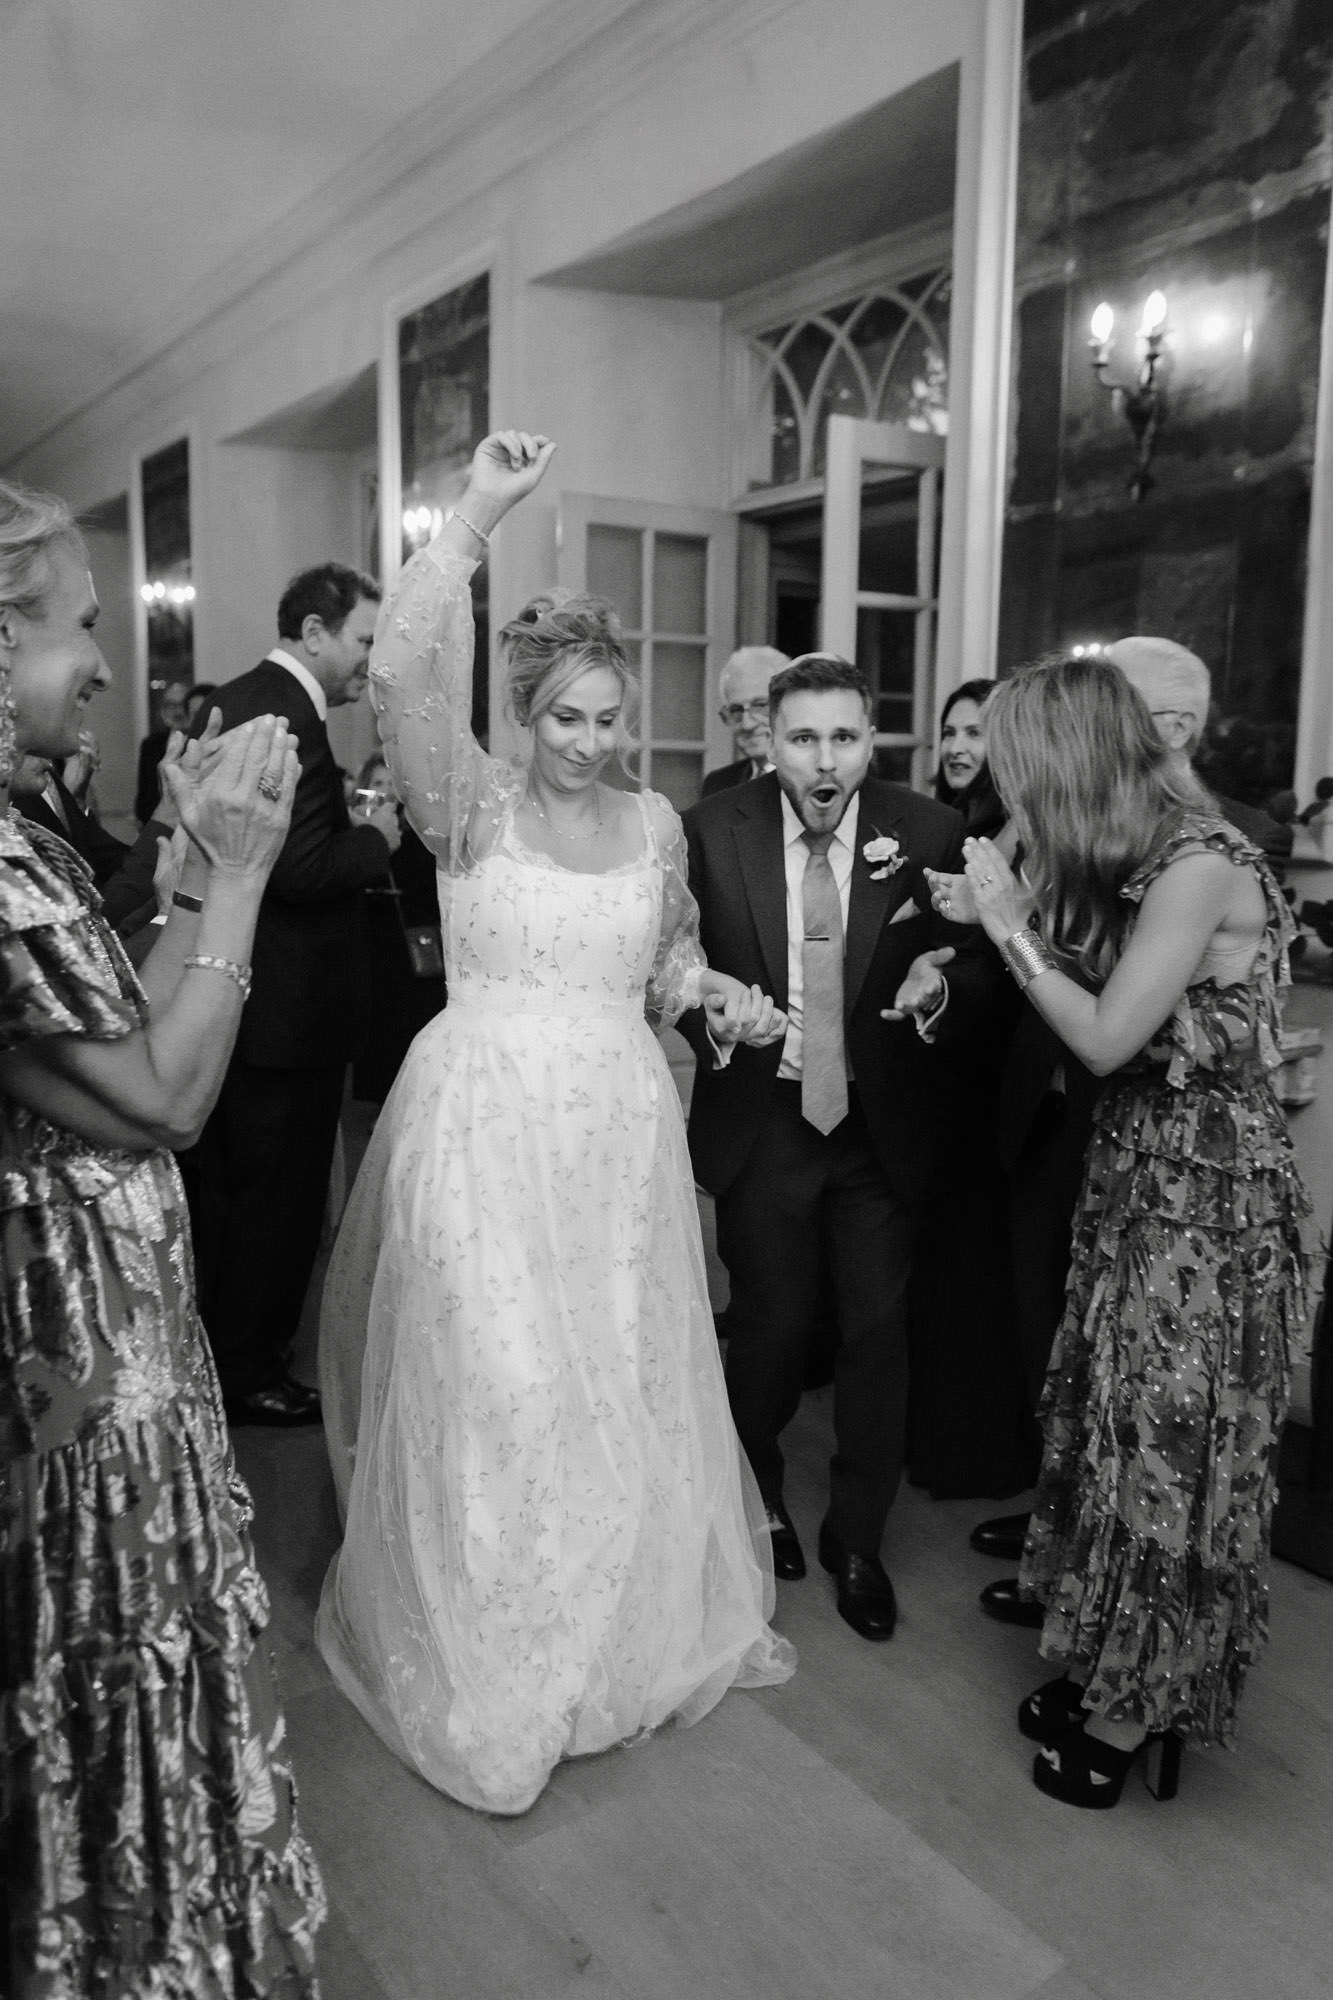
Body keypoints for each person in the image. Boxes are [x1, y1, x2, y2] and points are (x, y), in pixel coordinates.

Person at [316, 430, 795, 1817]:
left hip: (616, 1140)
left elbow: (665, 961)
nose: (588, 742)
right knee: (500, 1376)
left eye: (607, 717)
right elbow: (401, 670)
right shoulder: (466, 806)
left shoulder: (656, 826)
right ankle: (494, 1645)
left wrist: (715, 995)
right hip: (483, 1126)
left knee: (617, 1369)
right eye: (564, 717)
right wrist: (474, 514)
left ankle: (602, 1631)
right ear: (522, 716)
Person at [0, 479, 324, 1991]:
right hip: (73, 1357)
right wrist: (246, 874)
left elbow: (122, 1005)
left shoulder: (23, 833)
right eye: (78, 625)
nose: (105, 661)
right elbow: (166, 1093)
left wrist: (190, 860)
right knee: (107, 1643)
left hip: (113, 1326)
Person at [932, 654, 1310, 1809]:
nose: (1008, 790)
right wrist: (997, 916)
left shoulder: (1198, 861)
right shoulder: (1146, 848)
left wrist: (1011, 928)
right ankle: (1112, 1655)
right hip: (1141, 1165)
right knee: (1114, 1422)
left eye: (1019, 768)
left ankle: (1142, 1702)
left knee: (1172, 1451)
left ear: (1069, 761)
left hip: (1207, 1197)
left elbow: (1102, 1035)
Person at [680, 653, 993, 1640]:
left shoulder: (930, 830)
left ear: (871, 740)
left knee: (875, 1333)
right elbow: (674, 966)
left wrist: (943, 987)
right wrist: (715, 1018)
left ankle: (858, 1534)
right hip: (765, 1117)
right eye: (804, 738)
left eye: (844, 738)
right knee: (768, 1330)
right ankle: (760, 1496)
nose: (825, 760)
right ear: (767, 741)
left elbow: (981, 956)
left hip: (878, 1125)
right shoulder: (707, 830)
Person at [183, 563, 400, 1426]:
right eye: (364, 640)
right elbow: (299, 869)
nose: (371, 660)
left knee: (238, 1199)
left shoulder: (239, 697)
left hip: (246, 998)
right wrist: (374, 837)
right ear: (315, 633)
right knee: (274, 1208)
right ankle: (250, 1374)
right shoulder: (288, 716)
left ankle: (225, 1360)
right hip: (287, 1012)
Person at [906, 680, 1033, 1500]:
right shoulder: (953, 822)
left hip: (990, 1069)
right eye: (948, 729)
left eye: (975, 732)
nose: (957, 745)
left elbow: (1002, 952)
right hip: (940, 1061)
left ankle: (975, 1454)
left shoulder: (1017, 827)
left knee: (977, 1268)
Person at [349, 749, 447, 1104]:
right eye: (378, 783)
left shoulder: (420, 835)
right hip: (373, 947)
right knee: (380, 1034)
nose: (386, 791)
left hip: (414, 948)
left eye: (392, 783)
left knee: (412, 1031)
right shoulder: (355, 837)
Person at [700, 644, 789, 794]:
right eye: (736, 710)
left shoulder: (814, 782)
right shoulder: (718, 784)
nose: (747, 724)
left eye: (760, 705)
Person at [134, 676, 190, 823]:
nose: (178, 711)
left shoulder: (201, 741)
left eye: (182, 704)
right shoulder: (151, 745)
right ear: (163, 710)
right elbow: (144, 796)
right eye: (171, 705)